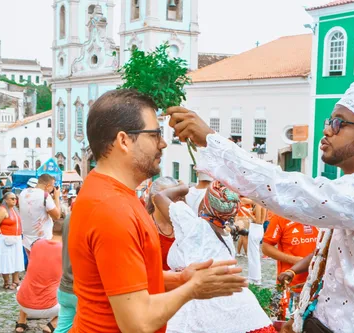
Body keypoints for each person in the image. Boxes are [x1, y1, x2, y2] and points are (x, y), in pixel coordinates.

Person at [167, 69, 354, 333]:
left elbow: (288, 191)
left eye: (339, 123)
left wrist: (212, 140)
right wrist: (301, 316)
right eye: (329, 120)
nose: (327, 129)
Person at [68, 89, 247, 333]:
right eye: (155, 134)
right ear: (123, 141)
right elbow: (137, 323)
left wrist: (180, 279)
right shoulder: (112, 209)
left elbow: (121, 282)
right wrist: (192, 289)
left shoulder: (109, 192)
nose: (163, 143)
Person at [154, 181, 275, 333]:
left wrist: (184, 188)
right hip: (239, 307)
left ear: (205, 205)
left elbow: (159, 197)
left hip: (200, 305)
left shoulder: (193, 225)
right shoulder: (225, 233)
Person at [15, 220, 63, 333]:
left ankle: (21, 322)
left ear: (52, 230)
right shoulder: (65, 251)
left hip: (22, 301)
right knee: (76, 300)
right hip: (49, 307)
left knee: (30, 280)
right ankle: (52, 324)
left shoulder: (37, 244)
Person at [262, 214, 319, 294]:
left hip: (319, 286)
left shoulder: (321, 215)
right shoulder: (280, 216)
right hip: (291, 285)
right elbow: (266, 247)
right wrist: (294, 260)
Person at [19, 174, 61, 255]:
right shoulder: (45, 196)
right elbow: (57, 216)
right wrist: (57, 197)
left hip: (27, 239)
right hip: (43, 239)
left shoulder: (23, 193)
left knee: (32, 264)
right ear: (48, 186)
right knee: (43, 265)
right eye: (52, 187)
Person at [0, 192, 24, 289]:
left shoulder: (14, 210)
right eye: (12, 198)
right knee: (5, 260)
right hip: (4, 238)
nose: (14, 200)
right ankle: (6, 282)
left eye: (15, 198)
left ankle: (16, 280)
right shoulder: (2, 210)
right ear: (5, 200)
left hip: (16, 238)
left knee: (16, 259)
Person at [146, 176, 180, 270]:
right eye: (167, 198)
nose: (172, 203)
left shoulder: (182, 225)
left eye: (176, 198)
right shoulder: (145, 226)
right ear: (153, 200)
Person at [55, 211, 78, 333]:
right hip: (80, 288)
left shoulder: (71, 216)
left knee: (62, 328)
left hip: (66, 285)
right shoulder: (93, 214)